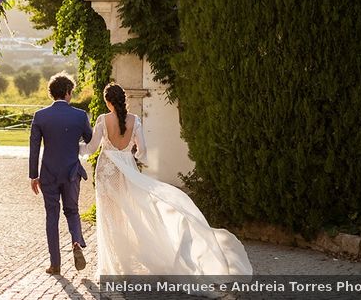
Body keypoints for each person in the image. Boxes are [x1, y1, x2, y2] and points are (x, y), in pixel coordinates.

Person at [81, 83, 253, 277]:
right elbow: (143, 150)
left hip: (106, 173)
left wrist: (75, 149)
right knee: (129, 214)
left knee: (109, 217)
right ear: (123, 99)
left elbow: (91, 148)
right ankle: (127, 264)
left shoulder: (103, 120)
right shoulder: (135, 120)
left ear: (107, 101)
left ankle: (114, 266)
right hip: (127, 171)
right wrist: (131, 157)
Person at [29, 72, 93, 275]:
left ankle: (55, 264)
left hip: (48, 173)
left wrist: (33, 175)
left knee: (52, 216)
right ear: (67, 92)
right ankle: (76, 241)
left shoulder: (40, 116)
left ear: (51, 93)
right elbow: (90, 141)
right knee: (72, 211)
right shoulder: (80, 116)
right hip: (72, 172)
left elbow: (34, 148)